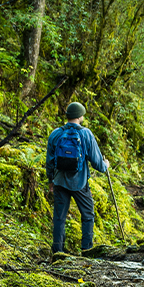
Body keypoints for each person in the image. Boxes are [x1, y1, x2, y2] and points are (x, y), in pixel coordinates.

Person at [46, 102, 109, 255]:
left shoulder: (55, 134)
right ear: (80, 116)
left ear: (67, 115)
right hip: (80, 183)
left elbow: (49, 161)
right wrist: (105, 165)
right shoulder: (86, 134)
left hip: (59, 181)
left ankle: (58, 251)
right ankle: (87, 249)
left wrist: (50, 181)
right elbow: (97, 162)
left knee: (59, 217)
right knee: (88, 215)